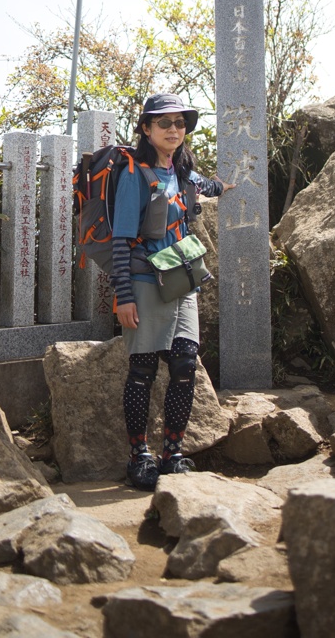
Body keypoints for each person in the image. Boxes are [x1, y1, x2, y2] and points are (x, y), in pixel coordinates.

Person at [111, 93, 235, 491]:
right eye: (163, 123)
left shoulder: (182, 172)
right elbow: (121, 239)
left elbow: (207, 185)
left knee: (184, 366)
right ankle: (138, 456)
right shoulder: (135, 174)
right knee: (143, 368)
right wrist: (124, 296)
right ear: (146, 129)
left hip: (182, 280)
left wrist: (226, 185)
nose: (173, 130)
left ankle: (173, 454)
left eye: (180, 123)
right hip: (145, 280)